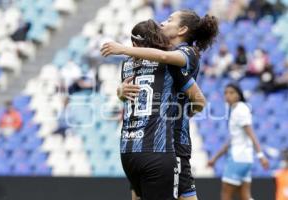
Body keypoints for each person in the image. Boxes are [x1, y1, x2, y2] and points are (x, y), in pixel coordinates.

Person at [102, 10, 219, 200]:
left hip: (172, 142)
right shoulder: (158, 59)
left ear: (182, 29)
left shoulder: (186, 53)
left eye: (170, 20)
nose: (163, 23)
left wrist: (184, 113)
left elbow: (199, 101)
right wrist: (121, 92)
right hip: (152, 140)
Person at [208, 83, 269, 200]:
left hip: (237, 158)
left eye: (231, 92)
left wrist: (261, 155)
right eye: (225, 93)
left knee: (226, 194)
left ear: (238, 95)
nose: (227, 95)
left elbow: (251, 134)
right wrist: (215, 158)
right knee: (244, 196)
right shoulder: (237, 110)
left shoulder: (240, 110)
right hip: (246, 159)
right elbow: (231, 140)